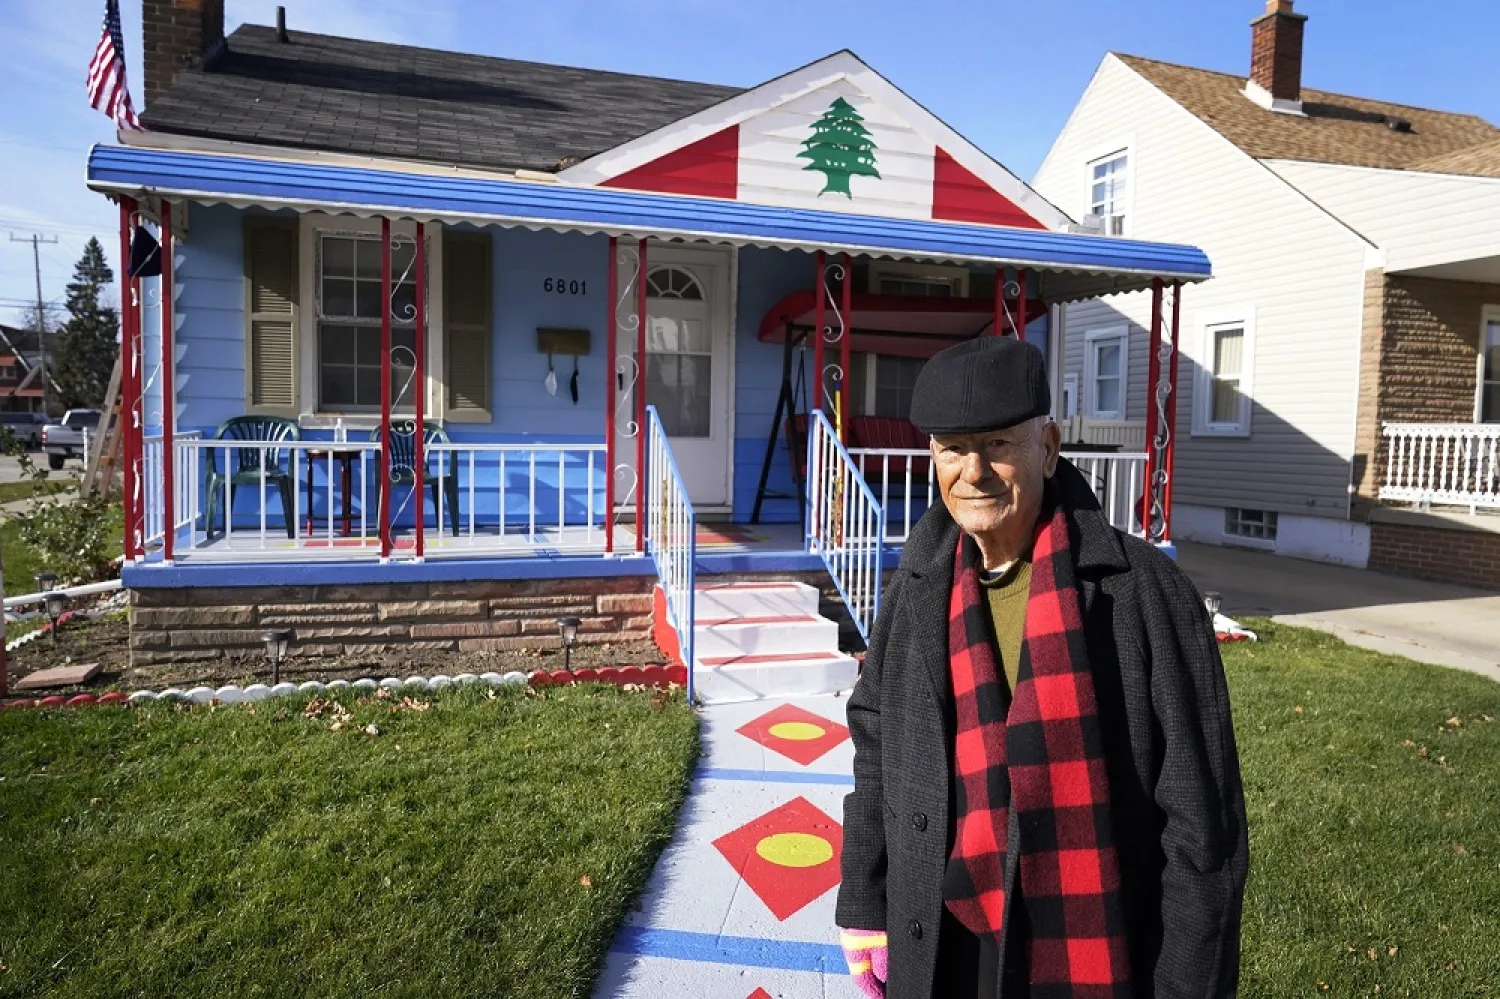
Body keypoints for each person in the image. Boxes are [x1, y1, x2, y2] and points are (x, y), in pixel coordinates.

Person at [835, 336, 1248, 998]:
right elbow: (876, 733)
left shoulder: (1144, 594)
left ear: (1049, 446)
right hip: (947, 932)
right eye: (952, 448)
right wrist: (863, 899)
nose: (974, 470)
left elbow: (1205, 826)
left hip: (1091, 935)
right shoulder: (918, 584)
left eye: (998, 443)